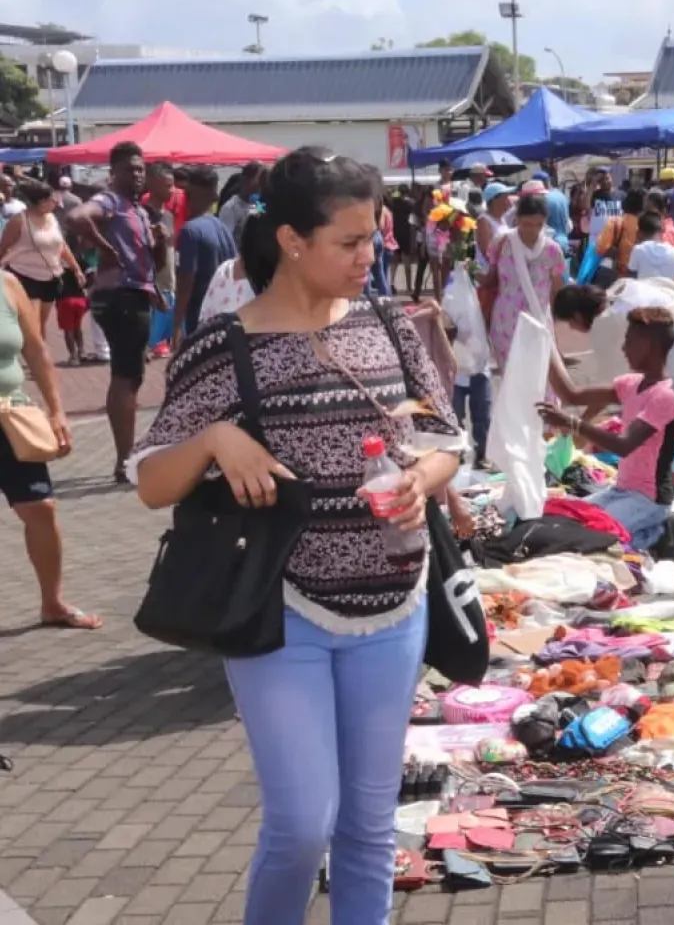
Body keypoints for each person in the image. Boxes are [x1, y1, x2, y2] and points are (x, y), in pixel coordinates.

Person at [129, 147, 463, 925]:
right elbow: (151, 482)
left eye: (373, 237)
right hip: (282, 615)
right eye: (349, 242)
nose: (369, 255)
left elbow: (448, 435)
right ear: (291, 241)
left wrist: (426, 476)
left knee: (369, 825)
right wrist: (216, 438)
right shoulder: (224, 345)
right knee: (302, 821)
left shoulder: (387, 322)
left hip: (395, 606)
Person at [537, 306, 674, 555]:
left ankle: (659, 533)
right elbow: (571, 394)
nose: (623, 348)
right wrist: (546, 345)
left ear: (649, 345)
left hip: (648, 501)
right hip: (621, 491)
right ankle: (644, 533)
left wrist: (572, 423)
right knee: (561, 521)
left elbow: (623, 445)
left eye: (629, 341)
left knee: (589, 540)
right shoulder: (631, 384)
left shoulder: (666, 395)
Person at [0, 269, 98, 629]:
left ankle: (52, 604)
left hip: (12, 418)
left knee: (41, 507)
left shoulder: (7, 285)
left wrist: (57, 411)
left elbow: (38, 352)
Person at [68, 141, 169, 484]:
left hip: (134, 295)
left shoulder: (137, 211)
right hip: (119, 298)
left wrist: (160, 248)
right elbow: (76, 217)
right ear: (114, 173)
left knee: (131, 374)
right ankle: (125, 459)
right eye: (130, 169)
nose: (137, 175)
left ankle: (127, 454)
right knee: (126, 376)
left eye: (141, 169)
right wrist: (105, 247)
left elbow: (149, 263)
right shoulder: (109, 201)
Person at [552, 279, 674, 447]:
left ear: (577, 316)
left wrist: (582, 423)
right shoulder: (621, 286)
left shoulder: (605, 322)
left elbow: (609, 381)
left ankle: (666, 472)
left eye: (569, 323)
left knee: (661, 402)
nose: (571, 328)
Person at [480, 194, 565, 369]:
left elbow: (557, 291)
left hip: (539, 321)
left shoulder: (552, 251)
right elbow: (491, 278)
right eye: (527, 224)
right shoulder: (502, 243)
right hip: (506, 323)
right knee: (511, 380)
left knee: (540, 380)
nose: (533, 230)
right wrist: (469, 271)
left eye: (539, 225)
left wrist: (555, 328)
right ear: (517, 219)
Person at [0, 179, 82, 340]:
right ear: (41, 202)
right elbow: (3, 248)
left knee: (41, 324)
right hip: (24, 276)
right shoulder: (19, 220)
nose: (56, 202)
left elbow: (62, 246)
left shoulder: (52, 218)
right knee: (33, 323)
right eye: (53, 199)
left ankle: (37, 357)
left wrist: (76, 268)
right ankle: (39, 360)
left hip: (50, 278)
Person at [173, 166, 237, 342]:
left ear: (189, 192)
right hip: (225, 313)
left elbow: (186, 280)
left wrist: (177, 324)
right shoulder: (221, 227)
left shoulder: (190, 231)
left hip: (200, 316)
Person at [595, 189, 646, 286]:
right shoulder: (645, 227)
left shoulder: (614, 222)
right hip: (638, 280)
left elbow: (600, 248)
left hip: (615, 278)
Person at [629, 213, 674, 285]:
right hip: (668, 295)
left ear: (639, 233)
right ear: (662, 230)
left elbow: (630, 280)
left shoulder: (638, 250)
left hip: (644, 295)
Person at [219, 161, 265, 245]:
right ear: (245, 180)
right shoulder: (231, 208)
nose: (261, 185)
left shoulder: (259, 205)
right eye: (260, 179)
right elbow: (225, 240)